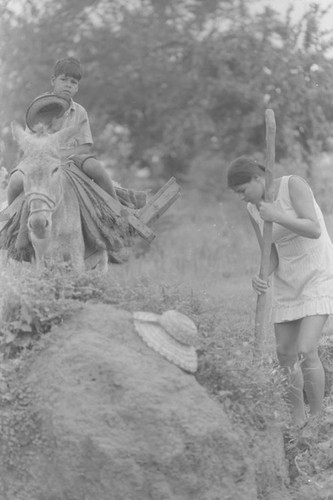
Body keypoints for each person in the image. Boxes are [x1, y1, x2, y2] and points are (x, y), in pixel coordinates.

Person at [227, 155, 333, 426]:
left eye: (242, 191)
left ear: (256, 178)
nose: (242, 198)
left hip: (317, 273)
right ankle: (298, 419)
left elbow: (314, 229)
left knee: (306, 348)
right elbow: (269, 252)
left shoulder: (292, 185)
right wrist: (261, 275)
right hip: (288, 280)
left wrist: (278, 216)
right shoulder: (254, 210)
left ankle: (318, 420)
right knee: (284, 353)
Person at [7, 56, 117, 205]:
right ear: (53, 80)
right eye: (64, 80)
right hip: (40, 158)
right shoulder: (39, 107)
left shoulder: (79, 111)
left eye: (73, 82)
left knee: (96, 167)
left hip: (72, 158)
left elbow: (86, 146)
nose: (68, 85)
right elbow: (29, 142)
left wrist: (63, 154)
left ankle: (116, 207)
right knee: (15, 181)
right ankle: (9, 219)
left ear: (77, 87)